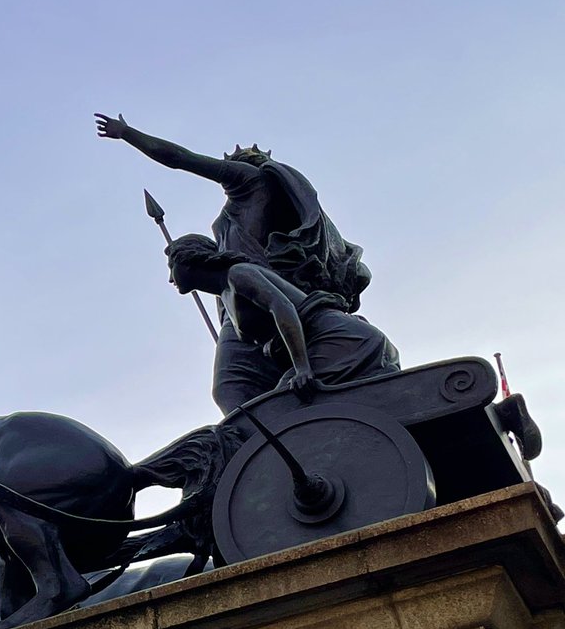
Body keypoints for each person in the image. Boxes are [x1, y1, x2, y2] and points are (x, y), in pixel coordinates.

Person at [96, 113, 373, 411]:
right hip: (236, 303)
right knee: (231, 389)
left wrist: (127, 133)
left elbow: (179, 157)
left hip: (259, 289)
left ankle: (288, 429)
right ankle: (273, 440)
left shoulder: (249, 180)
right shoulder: (233, 213)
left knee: (234, 387)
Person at [165, 234, 399, 398]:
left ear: (188, 259)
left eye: (171, 266)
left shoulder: (239, 274)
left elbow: (282, 308)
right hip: (320, 347)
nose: (170, 279)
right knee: (272, 405)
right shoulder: (224, 296)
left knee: (279, 406)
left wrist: (302, 368)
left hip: (340, 340)